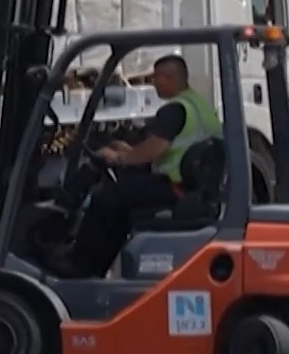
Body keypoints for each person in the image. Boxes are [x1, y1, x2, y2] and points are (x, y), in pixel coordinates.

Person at [60, 54, 223, 278]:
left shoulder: (175, 109)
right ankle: (97, 264)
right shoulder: (199, 104)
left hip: (174, 187)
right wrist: (129, 151)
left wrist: (119, 158)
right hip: (192, 186)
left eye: (156, 78)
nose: (153, 82)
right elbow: (169, 148)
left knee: (106, 198)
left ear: (169, 77)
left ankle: (80, 265)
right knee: (121, 202)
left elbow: (154, 149)